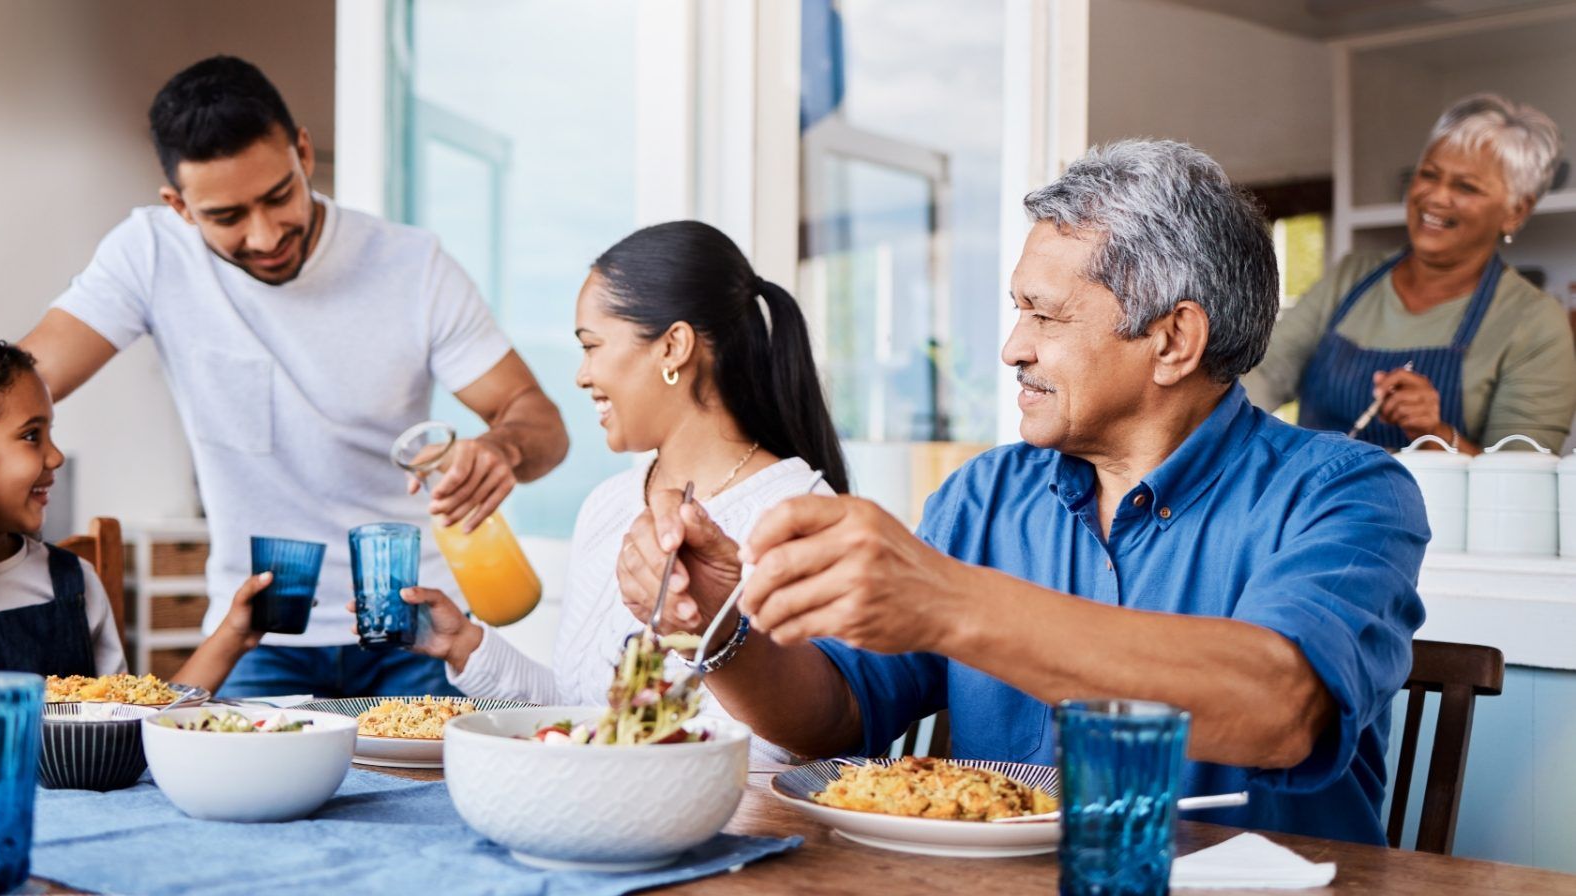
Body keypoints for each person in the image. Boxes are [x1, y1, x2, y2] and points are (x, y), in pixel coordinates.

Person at [619, 141, 1429, 845]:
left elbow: (1278, 707)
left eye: (1045, 316)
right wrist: (721, 629)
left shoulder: (1348, 492)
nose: (1013, 347)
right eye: (1018, 311)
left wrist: (946, 601)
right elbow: (837, 713)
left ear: (1173, 339)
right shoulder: (986, 495)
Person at [18, 57, 568, 699]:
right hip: (258, 635)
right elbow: (19, 386)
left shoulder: (413, 266)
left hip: (414, 629)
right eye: (227, 216)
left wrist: (503, 447)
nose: (266, 233)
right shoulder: (150, 253)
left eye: (280, 196)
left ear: (303, 153)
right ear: (181, 207)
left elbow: (541, 422)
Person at [370, 221, 848, 758]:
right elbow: (584, 715)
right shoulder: (608, 504)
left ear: (673, 346)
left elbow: (785, 747)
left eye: (592, 346)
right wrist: (466, 647)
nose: (580, 375)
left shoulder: (798, 515)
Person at [0, 336, 269, 719]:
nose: (55, 456)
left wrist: (232, 635)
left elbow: (134, 719)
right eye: (31, 436)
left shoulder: (74, 581)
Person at [1244, 93, 1576, 453]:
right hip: (1319, 506)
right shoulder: (1351, 278)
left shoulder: (1536, 324)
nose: (1436, 196)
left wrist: (1434, 432)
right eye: (1429, 175)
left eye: (1465, 187)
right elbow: (1265, 374)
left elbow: (1521, 488)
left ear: (1515, 211)